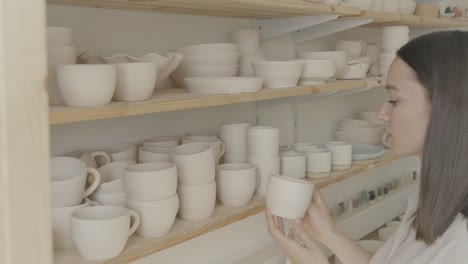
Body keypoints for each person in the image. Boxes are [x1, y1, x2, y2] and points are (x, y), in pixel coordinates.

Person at [266, 30, 468, 264]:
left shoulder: (459, 244)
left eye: (394, 100)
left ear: (446, 107)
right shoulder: (440, 200)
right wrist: (329, 234)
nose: (381, 114)